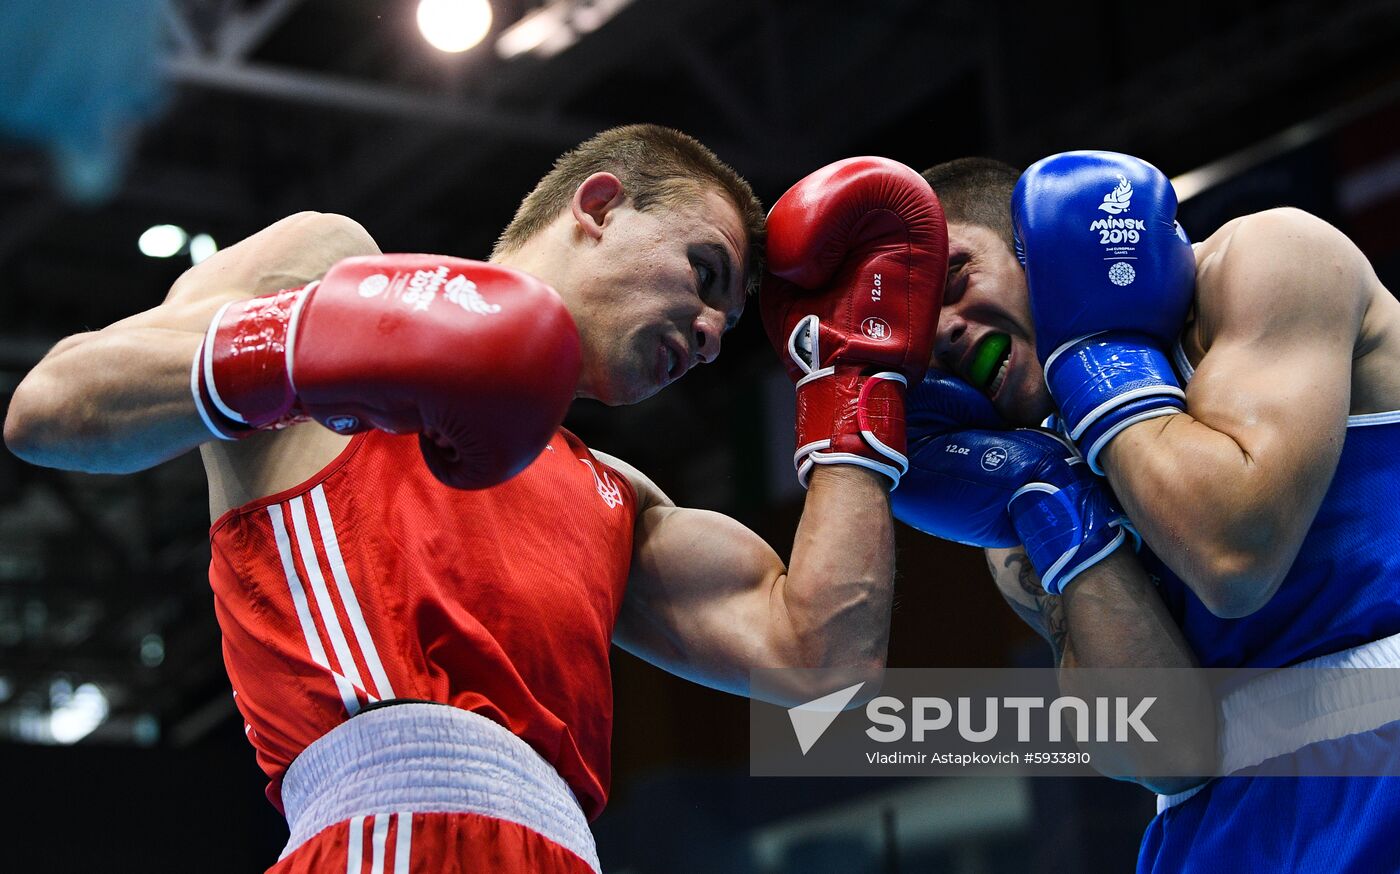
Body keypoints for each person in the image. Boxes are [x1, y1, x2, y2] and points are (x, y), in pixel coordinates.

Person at [3, 126, 948, 873]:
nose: (707, 333)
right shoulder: (335, 274)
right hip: (383, 832)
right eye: (703, 274)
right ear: (601, 204)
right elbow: (49, 408)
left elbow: (824, 662)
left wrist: (858, 386)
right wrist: (303, 344)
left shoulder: (620, 502)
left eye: (727, 325)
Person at [895, 151, 1400, 872]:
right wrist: (1057, 504)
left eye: (956, 278)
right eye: (918, 337)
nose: (943, 330)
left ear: (1033, 241)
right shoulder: (1019, 513)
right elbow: (1162, 751)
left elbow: (1233, 559)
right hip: (1217, 831)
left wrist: (1094, 360)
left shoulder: (1268, 260)